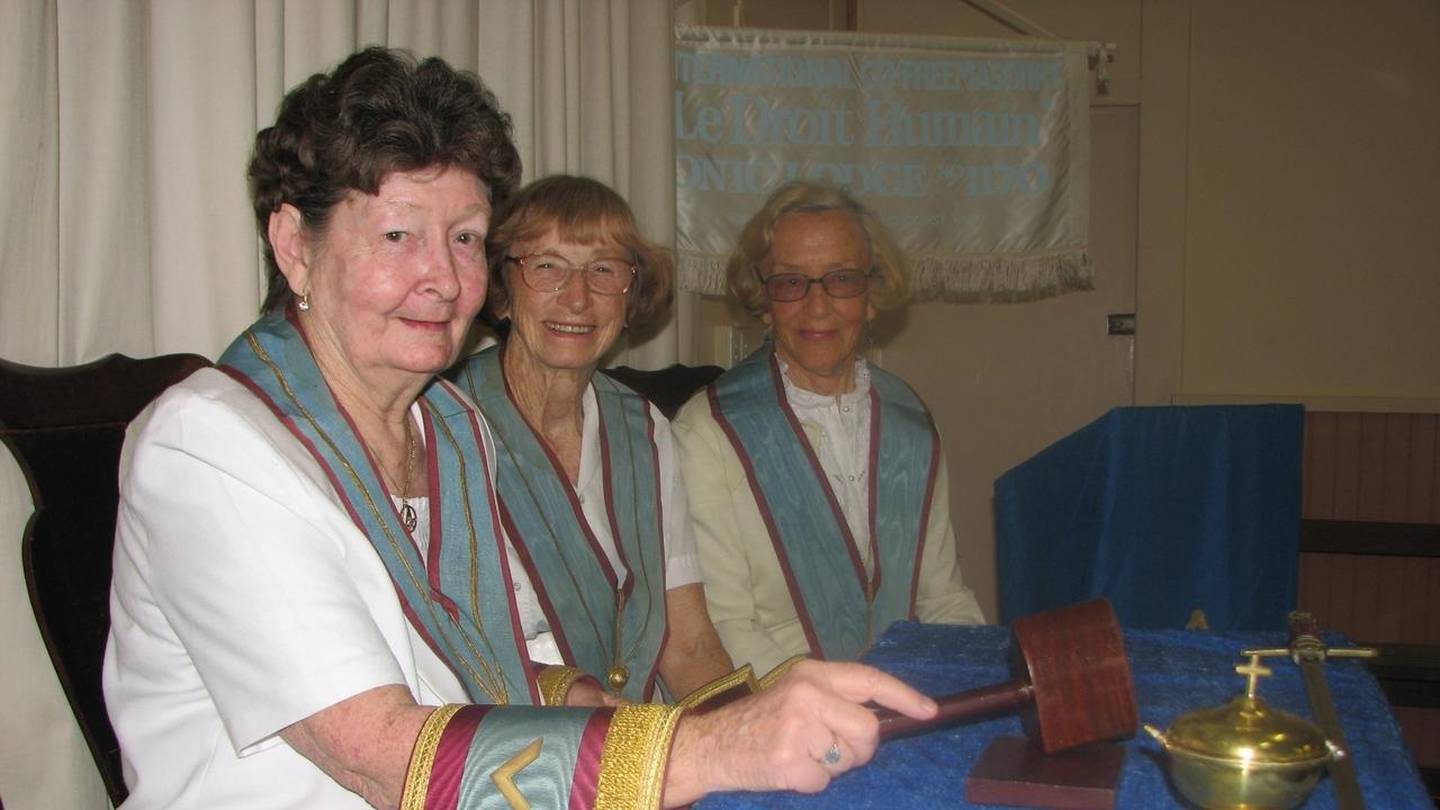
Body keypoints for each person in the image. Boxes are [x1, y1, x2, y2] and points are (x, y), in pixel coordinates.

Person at [101, 49, 936, 809]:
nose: (442, 276)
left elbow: (465, 666)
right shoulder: (210, 447)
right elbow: (384, 759)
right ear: (295, 246)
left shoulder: (449, 427)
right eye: (399, 234)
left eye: (465, 237)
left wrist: (575, 697)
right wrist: (712, 745)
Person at [673, 181, 987, 678]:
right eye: (791, 282)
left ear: (872, 295)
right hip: (776, 715)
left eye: (841, 279)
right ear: (765, 300)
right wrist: (850, 701)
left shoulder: (909, 421)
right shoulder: (707, 433)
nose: (817, 306)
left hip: (900, 704)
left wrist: (978, 675)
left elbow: (942, 598)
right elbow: (725, 628)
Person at [448, 175, 731, 703]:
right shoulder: (442, 425)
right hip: (511, 742)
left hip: (637, 735)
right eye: (547, 267)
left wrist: (743, 738)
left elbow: (688, 642)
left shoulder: (646, 431)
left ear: (629, 300)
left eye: (603, 270)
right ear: (502, 291)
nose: (577, 297)